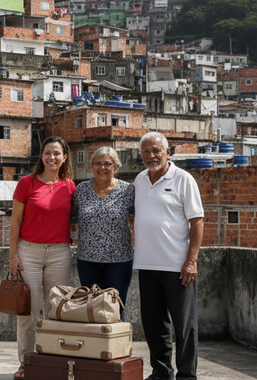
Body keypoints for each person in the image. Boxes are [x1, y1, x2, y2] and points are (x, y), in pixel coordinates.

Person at [134, 132, 203, 380]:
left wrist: (191, 261)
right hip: (146, 264)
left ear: (168, 152)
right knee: (155, 325)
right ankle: (162, 373)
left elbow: (197, 221)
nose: (151, 156)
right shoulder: (139, 180)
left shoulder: (184, 179)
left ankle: (187, 375)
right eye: (145, 152)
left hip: (177, 266)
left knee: (184, 326)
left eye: (156, 151)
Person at [8, 136, 75, 379]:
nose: (52, 157)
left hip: (59, 252)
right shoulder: (26, 183)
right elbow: (15, 221)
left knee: (55, 310)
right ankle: (26, 362)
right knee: (28, 311)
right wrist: (12, 255)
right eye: (47, 153)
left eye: (57, 153)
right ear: (41, 156)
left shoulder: (70, 186)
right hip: (28, 251)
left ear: (64, 157)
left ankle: (51, 361)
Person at [70, 146, 135, 321]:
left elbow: (141, 219)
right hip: (88, 260)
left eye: (108, 164)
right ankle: (95, 348)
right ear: (92, 166)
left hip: (119, 261)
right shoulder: (81, 190)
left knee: (115, 310)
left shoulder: (128, 191)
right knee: (92, 309)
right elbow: (72, 218)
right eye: (97, 163)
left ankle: (116, 347)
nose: (102, 168)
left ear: (116, 166)